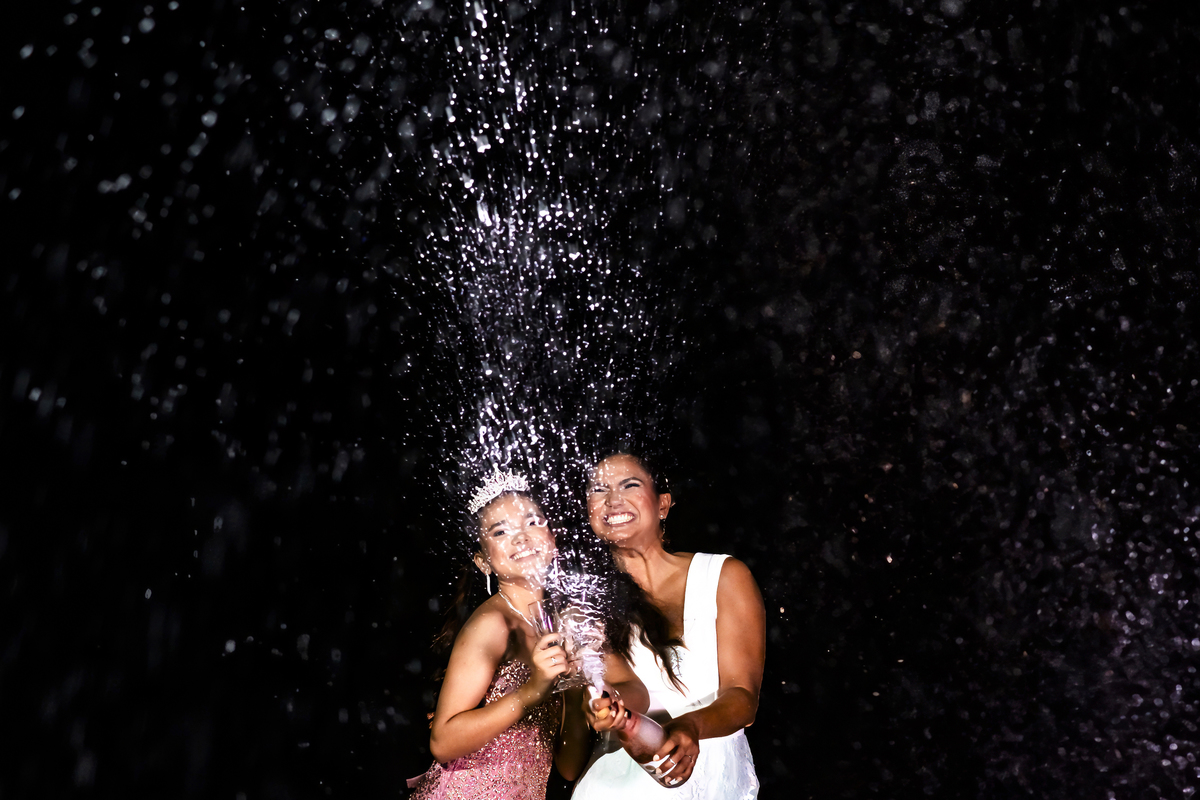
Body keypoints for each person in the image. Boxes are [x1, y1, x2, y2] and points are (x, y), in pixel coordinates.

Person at [571, 453, 764, 799]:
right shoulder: (587, 602)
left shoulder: (724, 576)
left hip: (714, 780)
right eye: (599, 490)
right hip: (617, 784)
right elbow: (629, 691)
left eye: (629, 485)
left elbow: (743, 699)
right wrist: (611, 706)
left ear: (663, 504)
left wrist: (691, 724)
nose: (613, 500)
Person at [408, 471, 591, 800]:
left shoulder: (554, 625)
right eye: (501, 531)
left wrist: (576, 688)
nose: (520, 538)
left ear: (553, 536)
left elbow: (568, 766)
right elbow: (442, 742)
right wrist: (531, 692)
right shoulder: (492, 625)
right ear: (484, 562)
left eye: (532, 522)